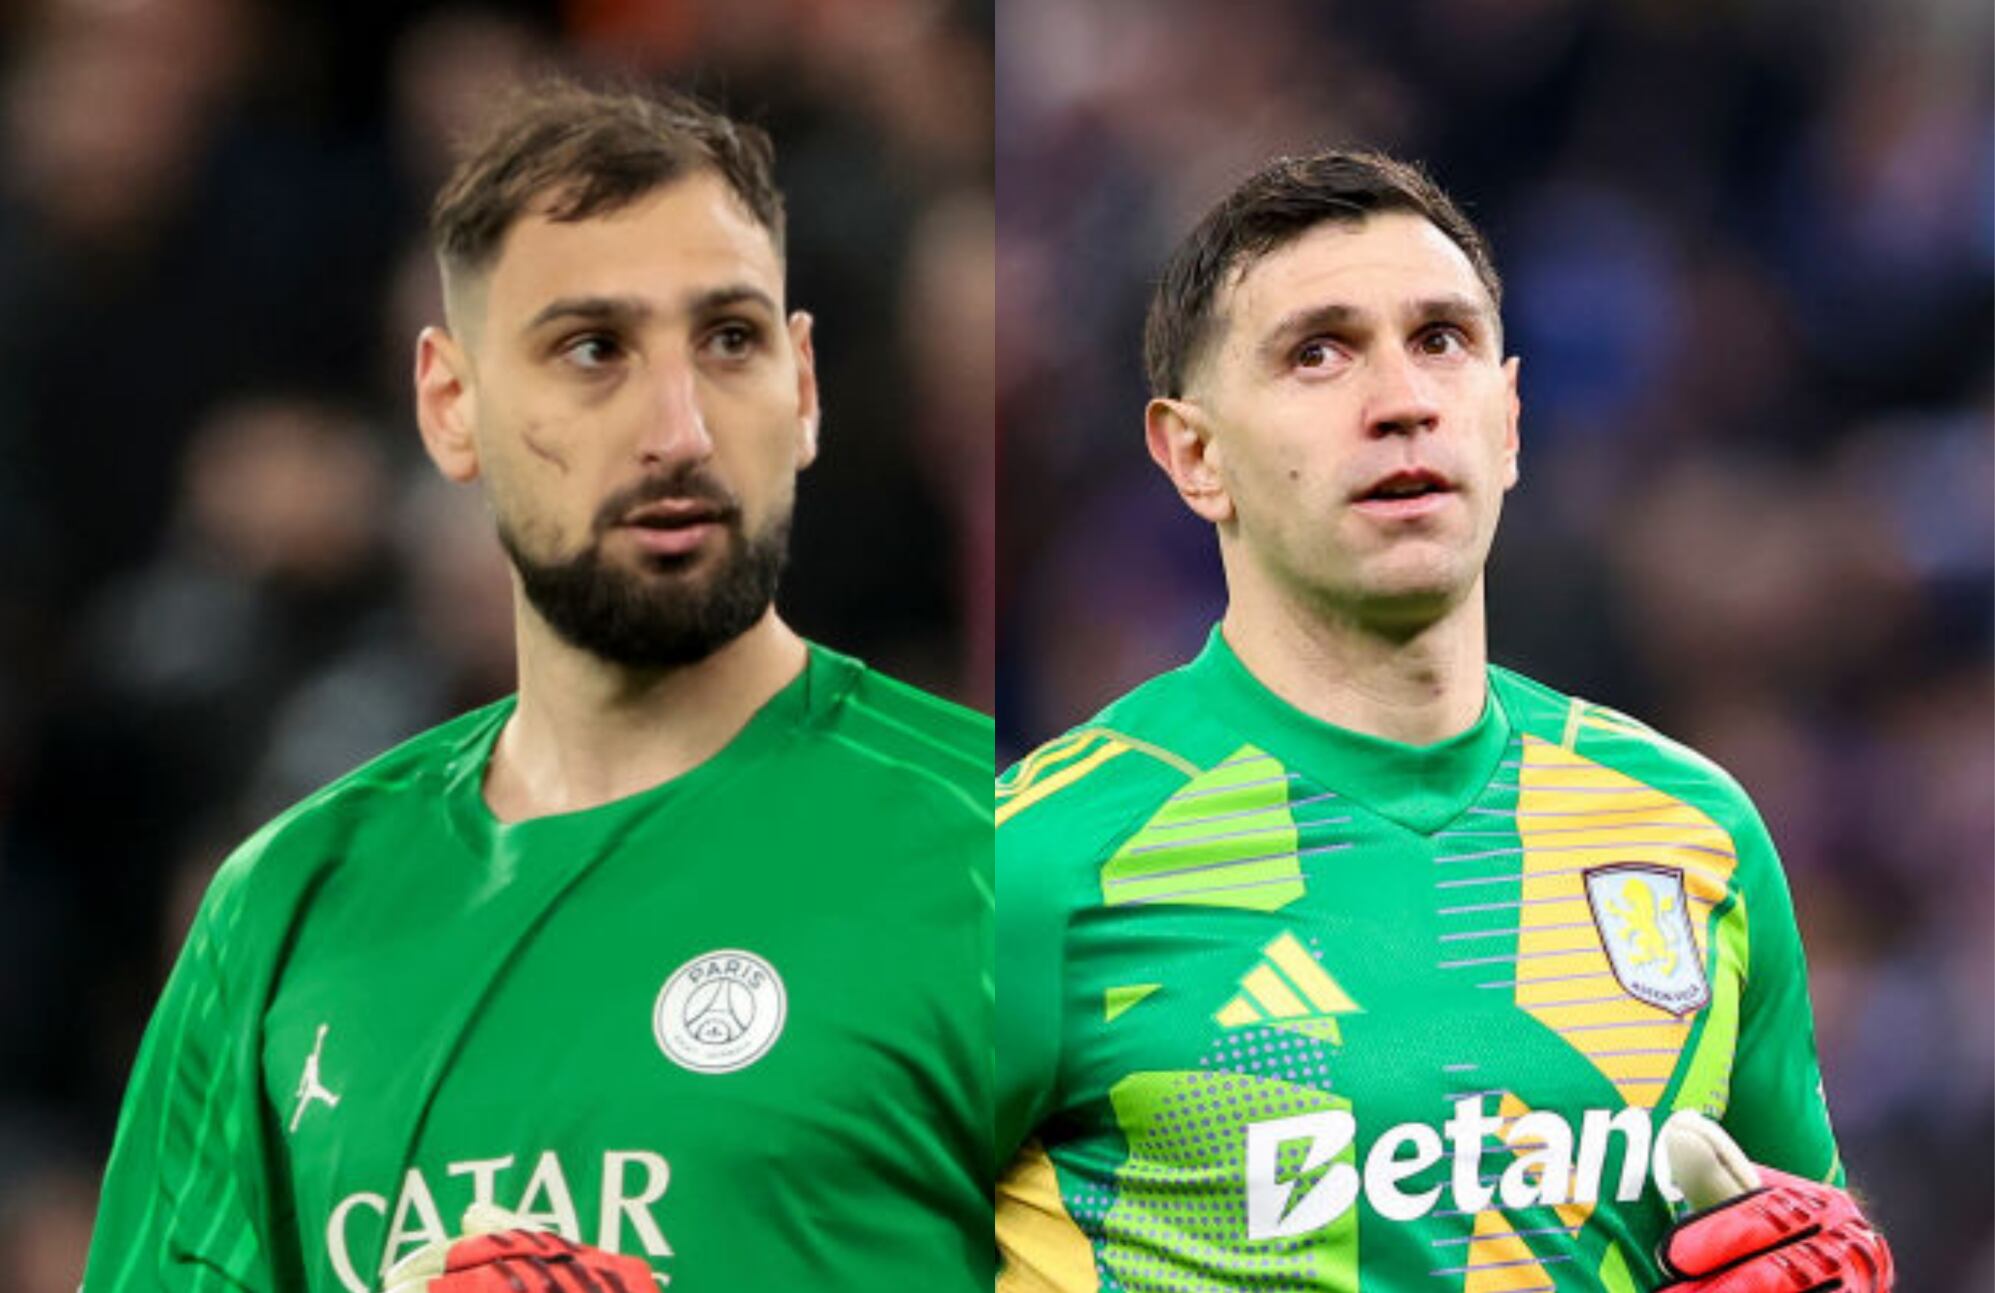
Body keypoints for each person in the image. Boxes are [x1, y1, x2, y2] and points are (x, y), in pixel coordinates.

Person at [84, 80, 992, 1293]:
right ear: (453, 407)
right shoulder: (285, 911)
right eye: (592, 350)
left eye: (730, 339)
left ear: (806, 384)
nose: (680, 429)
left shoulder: (1010, 853)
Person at [994, 152, 1891, 1291]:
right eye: (1316, 353)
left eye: (1442, 340)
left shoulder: (1694, 833)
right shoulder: (1033, 867)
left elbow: (1795, 1242)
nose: (1403, 401)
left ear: (1508, 421)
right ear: (1194, 454)